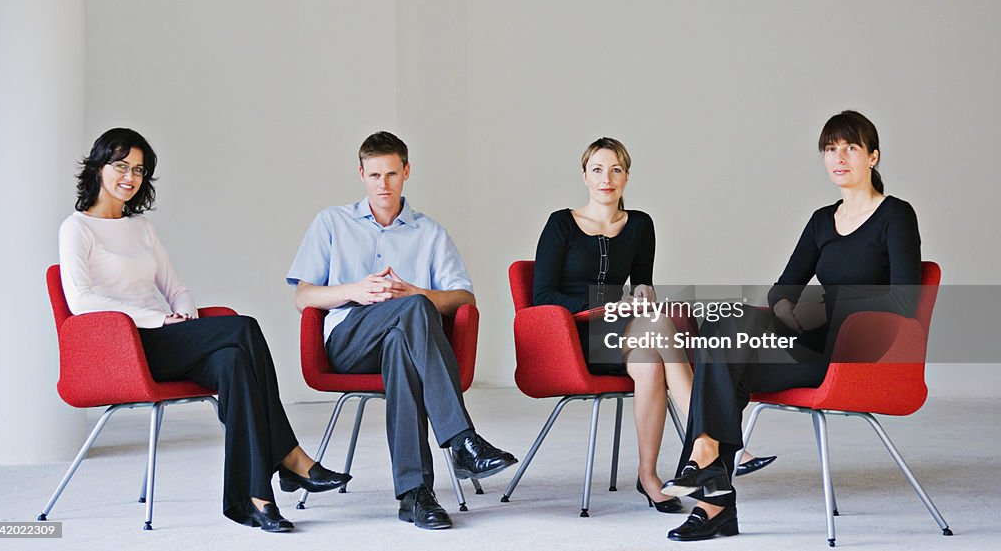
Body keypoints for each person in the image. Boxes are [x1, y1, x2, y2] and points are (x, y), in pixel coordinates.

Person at [59, 128, 349, 532]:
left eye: (139, 170)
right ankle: (290, 456)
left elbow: (177, 289)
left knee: (233, 362)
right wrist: (158, 320)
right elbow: (81, 302)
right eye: (121, 166)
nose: (130, 176)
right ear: (98, 168)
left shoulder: (141, 228)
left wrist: (183, 316)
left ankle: (253, 499)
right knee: (244, 328)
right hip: (127, 347)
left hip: (168, 337)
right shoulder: (77, 229)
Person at [661, 110, 922, 541]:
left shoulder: (896, 215)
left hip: (849, 357)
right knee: (724, 324)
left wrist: (826, 304)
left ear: (872, 157)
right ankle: (707, 465)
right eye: (830, 149)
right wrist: (789, 313)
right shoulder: (823, 220)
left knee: (726, 362)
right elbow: (781, 290)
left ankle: (709, 487)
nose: (839, 157)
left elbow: (905, 299)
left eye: (851, 147)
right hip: (806, 346)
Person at [286, 131, 517, 531]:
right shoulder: (331, 222)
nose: (383, 184)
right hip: (348, 341)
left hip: (404, 345)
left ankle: (415, 496)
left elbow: (463, 298)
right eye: (375, 175)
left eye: (392, 174)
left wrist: (415, 293)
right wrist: (354, 290)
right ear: (361, 174)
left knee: (403, 336)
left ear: (406, 172)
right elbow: (302, 296)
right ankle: (462, 440)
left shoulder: (430, 233)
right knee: (412, 312)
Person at [532, 137, 773, 515]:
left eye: (615, 170)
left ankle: (649, 478)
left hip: (627, 331)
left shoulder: (641, 225)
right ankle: (721, 443)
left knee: (649, 365)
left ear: (627, 176)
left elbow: (643, 282)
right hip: (575, 336)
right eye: (597, 169)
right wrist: (608, 304)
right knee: (659, 326)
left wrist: (642, 292)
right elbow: (543, 295)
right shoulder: (561, 224)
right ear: (584, 175)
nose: (606, 178)